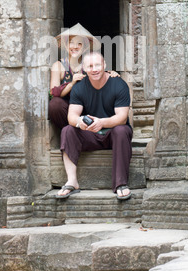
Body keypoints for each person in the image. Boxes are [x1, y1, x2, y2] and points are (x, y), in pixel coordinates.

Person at [56, 51, 132, 201]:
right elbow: (71, 116)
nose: (94, 69)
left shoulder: (119, 85)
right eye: (90, 66)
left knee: (122, 130)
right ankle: (72, 181)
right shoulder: (79, 88)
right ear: (84, 68)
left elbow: (122, 118)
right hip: (90, 134)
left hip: (113, 134)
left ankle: (120, 184)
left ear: (104, 65)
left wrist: (102, 122)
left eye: (97, 65)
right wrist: (80, 122)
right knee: (68, 130)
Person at [49, 23, 118, 129]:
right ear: (66, 45)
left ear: (85, 47)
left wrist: (111, 74)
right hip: (67, 109)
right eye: (71, 42)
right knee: (55, 104)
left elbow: (101, 77)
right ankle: (69, 131)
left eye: (79, 43)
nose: (75, 46)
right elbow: (53, 92)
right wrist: (72, 84)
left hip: (87, 107)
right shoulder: (58, 65)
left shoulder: (89, 63)